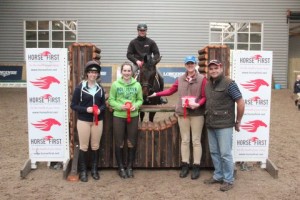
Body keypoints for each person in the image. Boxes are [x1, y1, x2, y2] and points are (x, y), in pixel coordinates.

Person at [148, 55, 207, 180]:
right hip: (183, 114)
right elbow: (170, 91)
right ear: (185, 65)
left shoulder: (202, 79)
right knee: (185, 140)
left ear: (195, 64)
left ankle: (196, 166)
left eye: (192, 63)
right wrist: (156, 94)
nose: (190, 65)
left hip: (197, 114)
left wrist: (198, 104)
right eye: (188, 63)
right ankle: (185, 165)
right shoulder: (180, 79)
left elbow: (204, 96)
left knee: (196, 141)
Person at [203, 59, 245, 191]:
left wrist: (238, 121)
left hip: (224, 125)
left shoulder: (229, 83)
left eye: (216, 68)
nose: (213, 70)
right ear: (208, 70)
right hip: (211, 123)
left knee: (225, 154)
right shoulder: (208, 84)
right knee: (214, 152)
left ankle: (228, 179)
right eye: (211, 68)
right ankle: (218, 175)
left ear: (221, 68)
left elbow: (241, 102)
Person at [70, 60, 106, 182]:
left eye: (95, 73)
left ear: (98, 75)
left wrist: (100, 110)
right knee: (84, 146)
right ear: (87, 74)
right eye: (91, 72)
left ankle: (94, 170)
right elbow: (73, 105)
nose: (93, 75)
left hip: (97, 121)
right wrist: (86, 109)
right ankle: (83, 171)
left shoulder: (100, 88)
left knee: (95, 146)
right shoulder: (79, 88)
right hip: (84, 121)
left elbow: (103, 105)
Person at [108, 62, 143, 179]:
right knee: (119, 142)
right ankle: (121, 167)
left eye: (129, 71)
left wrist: (136, 106)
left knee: (131, 141)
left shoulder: (137, 85)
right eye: (125, 70)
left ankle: (129, 167)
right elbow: (111, 100)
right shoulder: (115, 85)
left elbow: (140, 100)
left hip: (133, 116)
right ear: (121, 72)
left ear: (132, 72)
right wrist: (120, 106)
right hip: (119, 116)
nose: (127, 73)